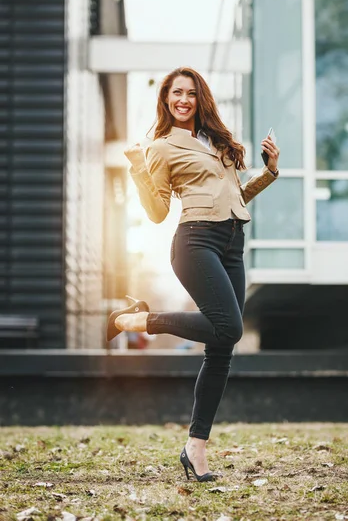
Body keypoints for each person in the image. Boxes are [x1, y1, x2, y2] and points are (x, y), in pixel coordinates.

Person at [107, 67, 280, 482]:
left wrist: (269, 172)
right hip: (195, 242)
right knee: (230, 328)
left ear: (200, 98)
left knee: (221, 349)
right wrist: (136, 166)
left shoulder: (217, 140)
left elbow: (235, 195)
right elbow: (157, 211)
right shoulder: (162, 147)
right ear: (166, 100)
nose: (182, 99)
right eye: (175, 93)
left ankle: (195, 448)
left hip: (232, 243)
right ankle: (141, 320)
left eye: (189, 93)